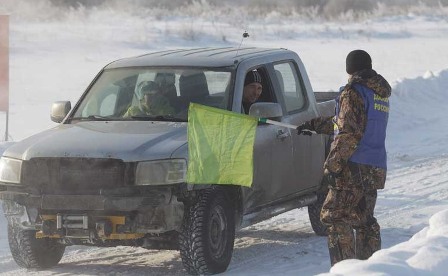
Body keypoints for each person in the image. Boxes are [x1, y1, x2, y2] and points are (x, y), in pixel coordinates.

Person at [297, 50, 391, 266]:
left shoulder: (353, 92)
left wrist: (333, 165)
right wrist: (315, 125)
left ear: (350, 68)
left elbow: (349, 132)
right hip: (374, 166)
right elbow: (350, 122)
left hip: (353, 166)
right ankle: (372, 268)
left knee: (335, 216)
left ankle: (345, 270)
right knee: (364, 220)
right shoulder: (378, 93)